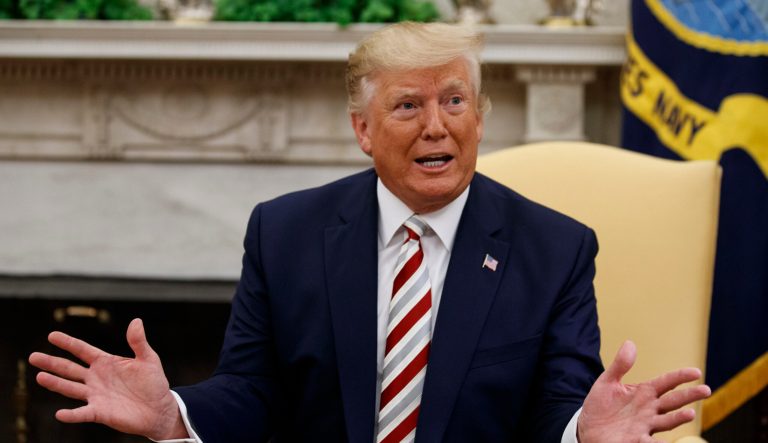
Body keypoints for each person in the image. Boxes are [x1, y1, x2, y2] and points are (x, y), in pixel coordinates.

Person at [28, 22, 710, 443]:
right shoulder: (285, 231)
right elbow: (252, 388)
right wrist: (174, 414)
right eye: (408, 105)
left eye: (454, 101)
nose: (436, 126)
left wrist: (583, 435)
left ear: (480, 117)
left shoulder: (555, 248)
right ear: (362, 129)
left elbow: (556, 404)